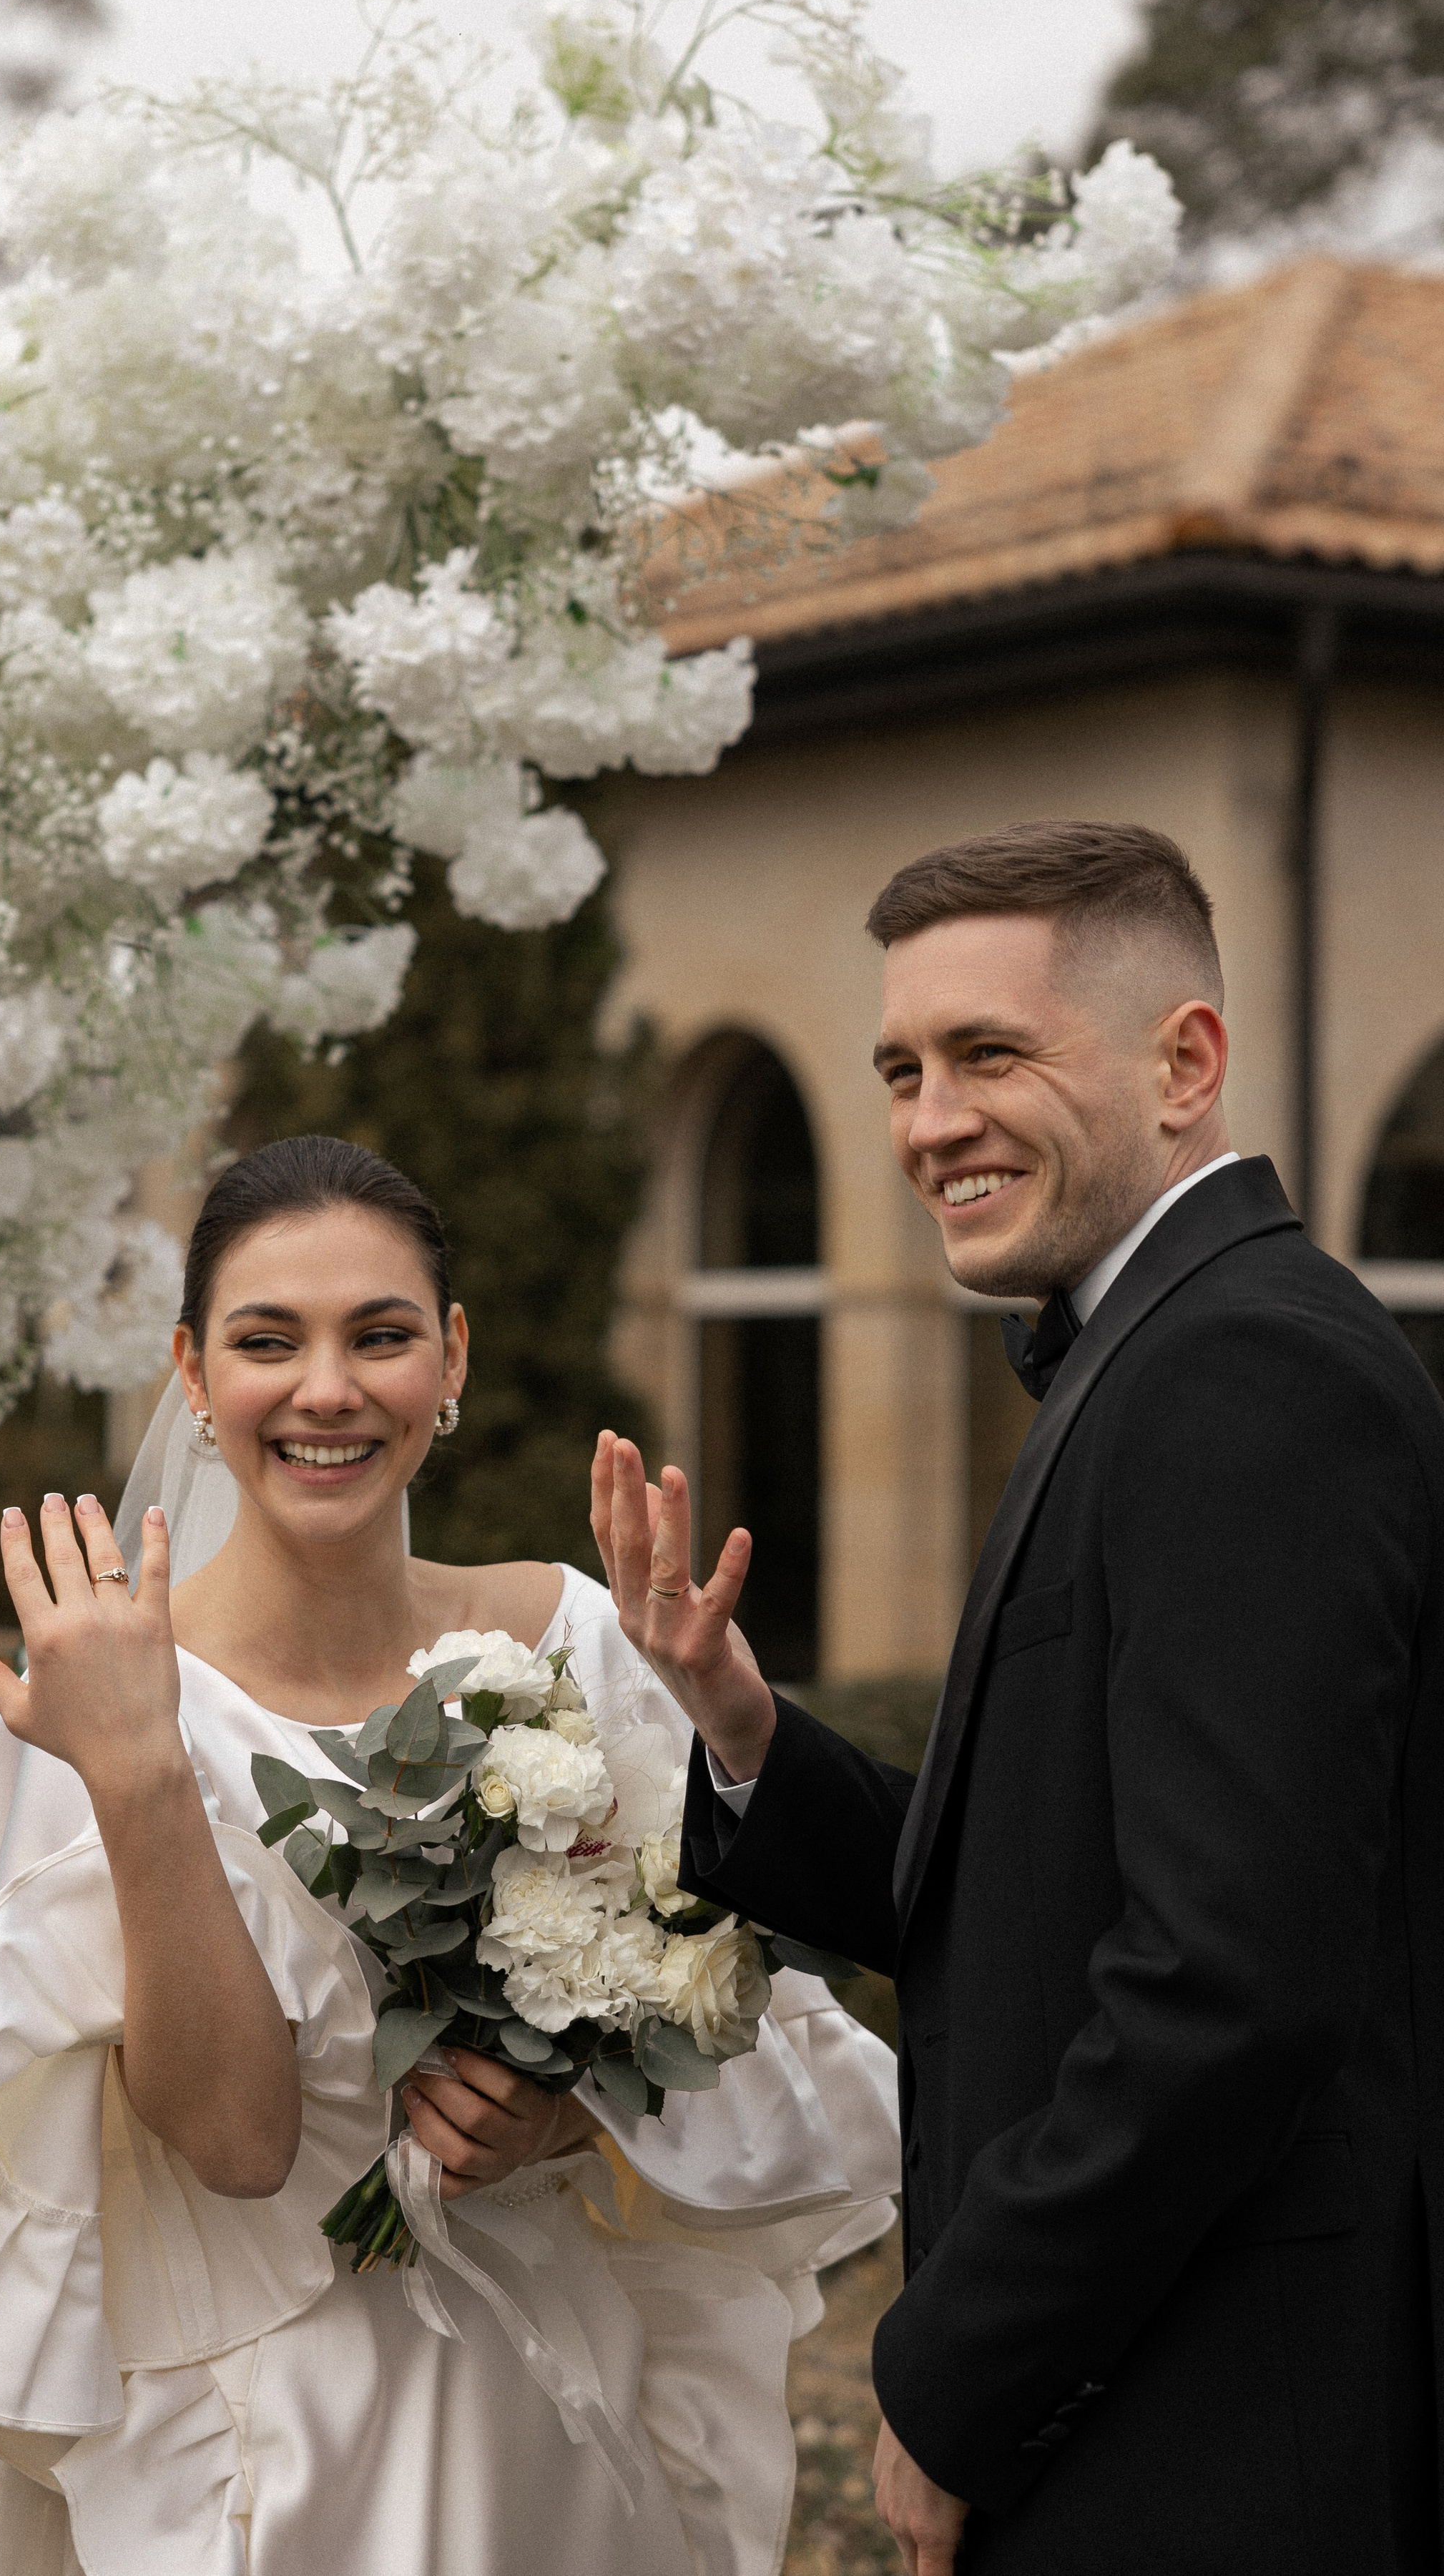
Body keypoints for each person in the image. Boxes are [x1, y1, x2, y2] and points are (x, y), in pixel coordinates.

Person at [0, 1134, 900, 2576]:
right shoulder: (108, 1694)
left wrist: (566, 2119)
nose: (326, 1388)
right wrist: (139, 1768)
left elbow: (724, 2016)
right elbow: (238, 2143)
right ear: (191, 1372)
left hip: (547, 2422)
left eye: (379, 1334)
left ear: (450, 1356)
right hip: (270, 2461)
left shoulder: (577, 1637)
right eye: (267, 1340)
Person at [593, 821, 1443, 2576]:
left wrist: (956, 2375)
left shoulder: (1242, 1369)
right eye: (900, 1069)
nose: (927, 1122)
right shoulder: (1150, 1349)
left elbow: (1222, 1983)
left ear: (1182, 1063)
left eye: (988, 1053)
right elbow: (1046, 1893)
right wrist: (743, 1727)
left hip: (1215, 2431)